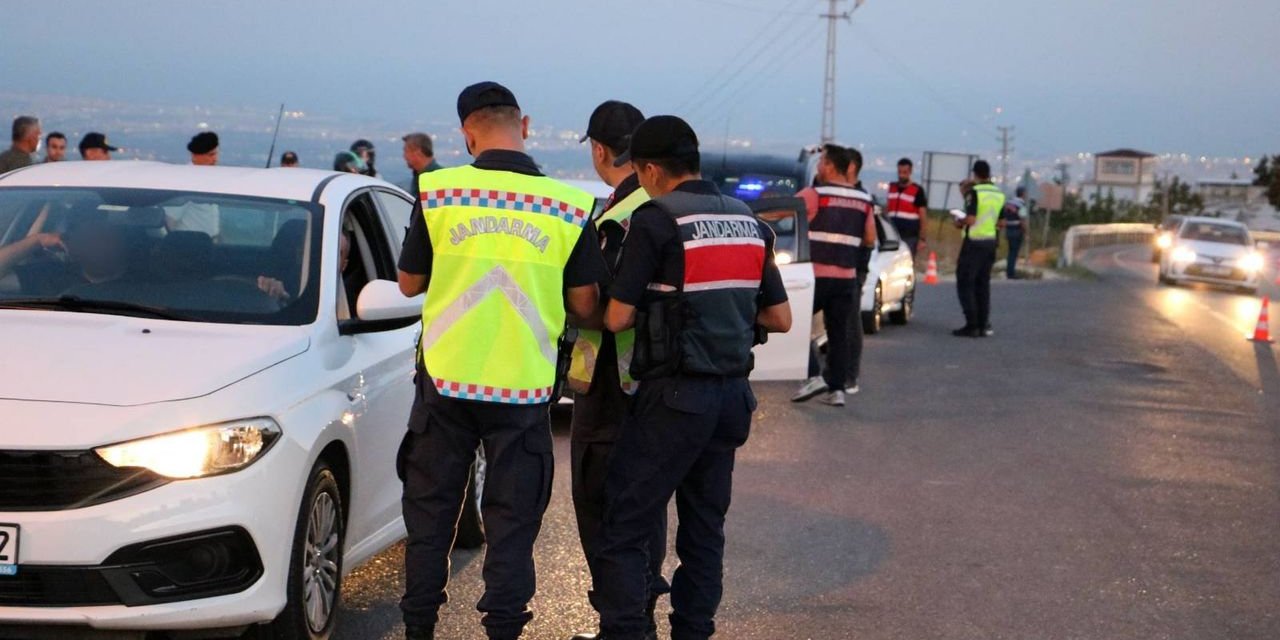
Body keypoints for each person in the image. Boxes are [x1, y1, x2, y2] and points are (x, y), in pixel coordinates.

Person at [395, 81, 606, 640]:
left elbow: (409, 281)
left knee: (430, 519)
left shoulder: (438, 192)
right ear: (526, 125)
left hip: (446, 383)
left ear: (467, 135)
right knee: (512, 526)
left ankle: (419, 629)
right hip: (523, 391)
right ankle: (504, 631)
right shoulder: (567, 205)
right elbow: (586, 304)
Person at [589, 115, 792, 640]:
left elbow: (615, 318)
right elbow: (779, 319)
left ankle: (626, 632)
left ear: (651, 169)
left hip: (673, 398)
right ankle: (693, 632)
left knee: (626, 522)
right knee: (704, 532)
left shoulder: (657, 220)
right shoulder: (748, 221)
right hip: (731, 401)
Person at [565, 100, 668, 640]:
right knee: (646, 508)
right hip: (660, 387)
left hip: (610, 387)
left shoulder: (614, 220)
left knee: (602, 507)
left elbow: (595, 308)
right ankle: (640, 616)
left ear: (600, 151)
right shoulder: (670, 206)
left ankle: (621, 624)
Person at [791, 144, 875, 407]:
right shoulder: (864, 200)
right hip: (846, 279)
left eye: (821, 162)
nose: (818, 167)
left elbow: (785, 210)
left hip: (814, 277)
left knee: (795, 326)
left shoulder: (816, 194)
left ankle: (814, 374)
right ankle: (836, 389)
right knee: (838, 334)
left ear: (829, 166)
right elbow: (870, 238)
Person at [0, 212, 128, 295]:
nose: (97, 245)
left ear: (120, 244)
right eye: (86, 239)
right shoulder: (49, 275)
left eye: (102, 238)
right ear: (69, 247)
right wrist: (36, 240)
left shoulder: (141, 279)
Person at [953, 160, 1003, 338]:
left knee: (965, 282)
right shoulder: (998, 193)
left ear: (975, 174)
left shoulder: (975, 192)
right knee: (983, 284)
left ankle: (972, 324)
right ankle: (983, 323)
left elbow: (972, 219)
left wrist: (960, 221)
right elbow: (1001, 222)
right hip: (990, 242)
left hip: (974, 242)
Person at [843, 148, 877, 396]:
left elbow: (869, 238)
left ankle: (849, 376)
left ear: (851, 167)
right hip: (827, 268)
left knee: (851, 322)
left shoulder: (861, 197)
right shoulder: (829, 189)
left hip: (852, 267)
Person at [886, 157, 928, 258]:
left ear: (910, 172)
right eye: (899, 172)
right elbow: (888, 209)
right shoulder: (892, 188)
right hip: (892, 235)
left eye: (904, 172)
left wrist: (922, 239)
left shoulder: (917, 190)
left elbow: (923, 216)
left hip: (910, 236)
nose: (901, 175)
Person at [1000, 186, 1028, 279]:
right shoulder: (1022, 205)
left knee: (1010, 252)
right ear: (1023, 194)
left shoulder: (1008, 203)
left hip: (1008, 229)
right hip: (1017, 230)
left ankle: (1009, 271)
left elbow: (1003, 216)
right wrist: (1026, 232)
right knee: (1014, 253)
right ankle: (1011, 273)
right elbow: (1023, 219)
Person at [402, 132, 442, 197]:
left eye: (406, 151)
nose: (404, 156)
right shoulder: (418, 175)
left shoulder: (439, 177)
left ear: (418, 152)